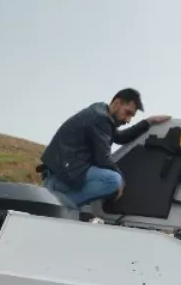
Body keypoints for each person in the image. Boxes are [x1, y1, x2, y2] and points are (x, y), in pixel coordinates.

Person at [38, 88, 171, 209]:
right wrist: (122, 180)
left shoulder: (100, 113)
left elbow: (120, 137)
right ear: (117, 103)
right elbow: (103, 158)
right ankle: (64, 205)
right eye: (127, 113)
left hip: (63, 173)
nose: (128, 120)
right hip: (62, 177)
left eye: (132, 116)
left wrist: (148, 122)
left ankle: (66, 205)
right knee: (113, 180)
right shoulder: (100, 118)